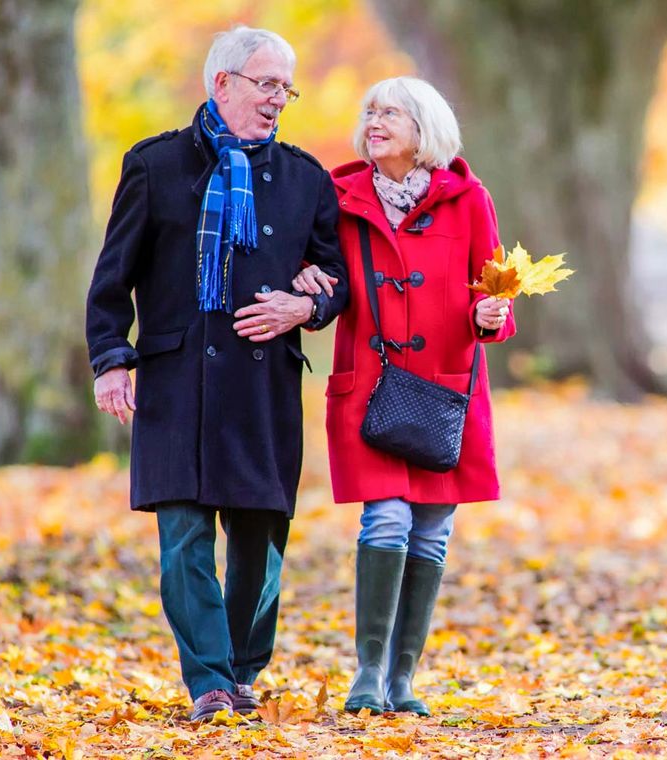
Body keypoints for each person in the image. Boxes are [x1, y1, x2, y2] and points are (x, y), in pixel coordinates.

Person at [85, 26, 347, 723]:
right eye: (268, 85)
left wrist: (306, 304)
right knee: (184, 538)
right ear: (221, 83)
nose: (279, 101)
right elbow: (112, 279)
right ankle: (208, 681)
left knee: (261, 537)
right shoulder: (154, 166)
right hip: (176, 382)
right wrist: (111, 358)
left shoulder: (305, 179)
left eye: (287, 89)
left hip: (263, 388)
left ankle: (239, 665)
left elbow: (336, 280)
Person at [293, 76, 515, 716]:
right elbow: (320, 273)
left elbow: (489, 288)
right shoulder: (339, 197)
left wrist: (492, 316)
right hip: (370, 383)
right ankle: (367, 672)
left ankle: (402, 679)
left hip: (446, 386)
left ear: (426, 129)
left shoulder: (469, 199)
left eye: (392, 111)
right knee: (385, 517)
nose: (375, 120)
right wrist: (306, 281)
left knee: (433, 531)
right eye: (370, 110)